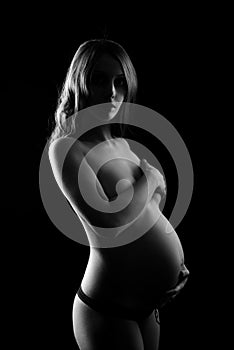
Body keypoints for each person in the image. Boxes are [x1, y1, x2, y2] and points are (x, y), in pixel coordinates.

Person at [48, 38, 190, 350]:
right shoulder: (67, 148)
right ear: (80, 83)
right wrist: (150, 181)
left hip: (147, 307)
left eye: (120, 82)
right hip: (107, 308)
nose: (112, 93)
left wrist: (173, 268)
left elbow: (144, 219)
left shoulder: (123, 146)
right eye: (99, 79)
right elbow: (110, 222)